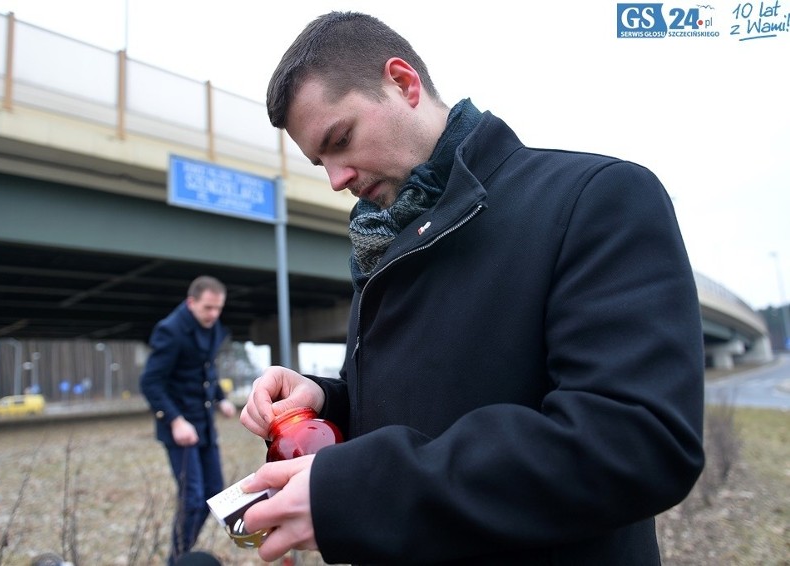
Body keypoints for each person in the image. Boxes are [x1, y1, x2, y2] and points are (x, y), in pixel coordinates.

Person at [240, 11, 705, 565]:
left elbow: (635, 442)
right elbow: (427, 397)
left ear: (404, 83)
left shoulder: (596, 199)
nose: (336, 179)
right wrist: (328, 397)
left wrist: (355, 491)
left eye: (340, 140)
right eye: (321, 162)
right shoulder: (384, 240)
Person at [140, 275, 237, 565]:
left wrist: (220, 398)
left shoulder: (212, 326)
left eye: (218, 308)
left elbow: (205, 369)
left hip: (204, 423)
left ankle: (181, 555)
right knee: (192, 500)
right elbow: (150, 382)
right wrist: (174, 420)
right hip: (180, 427)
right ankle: (177, 559)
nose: (214, 315)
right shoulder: (170, 331)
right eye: (208, 308)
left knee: (215, 497)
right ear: (191, 302)